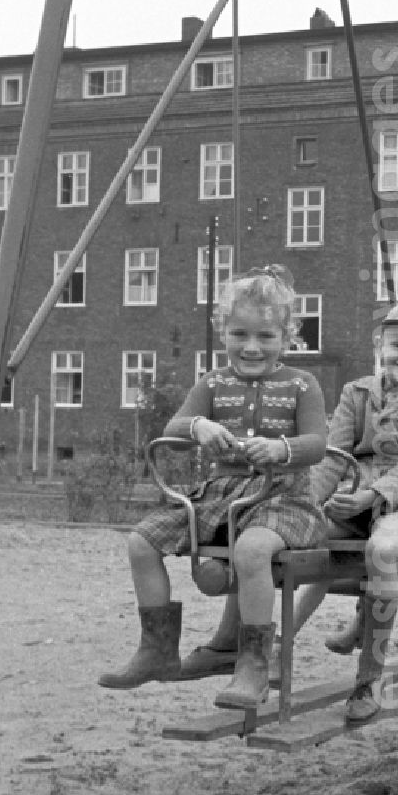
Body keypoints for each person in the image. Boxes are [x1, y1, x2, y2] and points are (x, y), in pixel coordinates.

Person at [98, 265, 327, 707]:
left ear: (287, 336)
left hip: (281, 498)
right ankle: (157, 649)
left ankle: (254, 662)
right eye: (239, 334)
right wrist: (199, 426)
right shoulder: (213, 383)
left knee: (253, 550)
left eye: (266, 336)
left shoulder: (302, 384)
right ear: (223, 332)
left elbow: (317, 443)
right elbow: (175, 428)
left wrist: (282, 448)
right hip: (221, 495)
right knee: (142, 543)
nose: (252, 347)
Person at [294, 299, 398, 725]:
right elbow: (334, 455)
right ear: (379, 344)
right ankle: (262, 648)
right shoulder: (357, 393)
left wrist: (376, 495)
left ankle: (368, 679)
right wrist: (309, 500)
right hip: (356, 493)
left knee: (383, 549)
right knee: (293, 531)